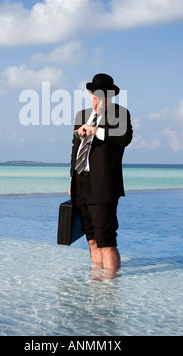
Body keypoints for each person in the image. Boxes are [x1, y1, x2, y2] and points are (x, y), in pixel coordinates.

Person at [69, 73, 133, 278]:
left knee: (106, 239)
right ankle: (97, 279)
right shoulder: (81, 115)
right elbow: (75, 149)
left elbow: (124, 139)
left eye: (102, 97)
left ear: (110, 97)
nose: (97, 101)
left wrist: (96, 131)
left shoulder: (120, 114)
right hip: (80, 183)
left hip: (103, 185)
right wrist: (71, 180)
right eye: (94, 96)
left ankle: (110, 288)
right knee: (91, 238)